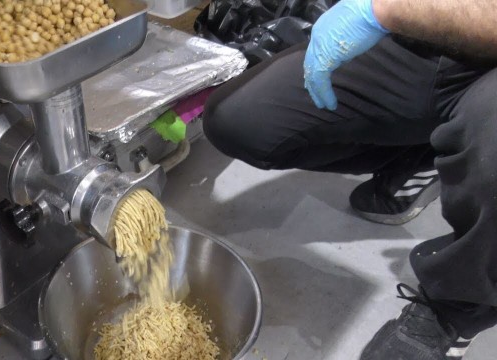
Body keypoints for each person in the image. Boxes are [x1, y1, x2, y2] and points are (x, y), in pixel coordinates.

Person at [203, 0, 497, 359]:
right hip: (421, 31)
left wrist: (382, 10)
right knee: (238, 120)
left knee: (492, 144)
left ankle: (456, 309)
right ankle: (421, 158)